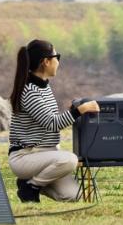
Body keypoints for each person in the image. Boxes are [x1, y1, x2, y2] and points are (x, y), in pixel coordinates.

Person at [7, 39, 99, 203]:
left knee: (73, 195)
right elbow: (53, 123)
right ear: (46, 62)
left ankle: (32, 181)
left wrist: (73, 110)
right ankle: (31, 187)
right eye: (57, 56)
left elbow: (48, 119)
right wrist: (80, 110)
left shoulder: (44, 86)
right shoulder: (30, 91)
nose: (58, 61)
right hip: (26, 156)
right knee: (70, 159)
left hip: (46, 155)